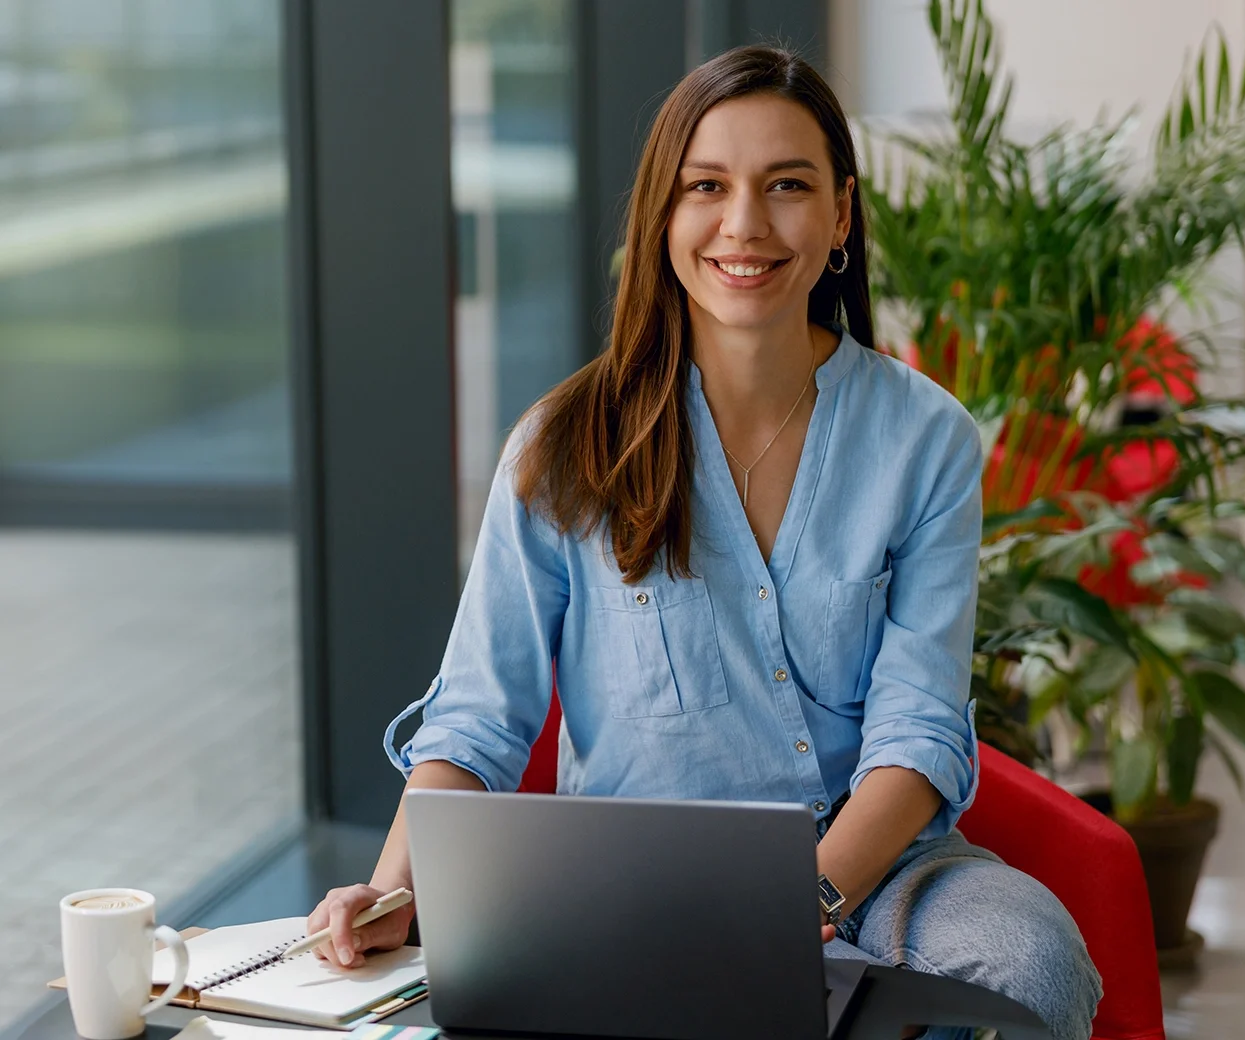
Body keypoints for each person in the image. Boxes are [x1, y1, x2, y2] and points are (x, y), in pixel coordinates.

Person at [307, 45, 1103, 1040]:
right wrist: (387, 893)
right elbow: (476, 718)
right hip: (623, 892)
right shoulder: (564, 443)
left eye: (787, 186)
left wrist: (796, 909)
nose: (744, 224)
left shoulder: (924, 440)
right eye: (706, 187)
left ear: (841, 213)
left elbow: (918, 732)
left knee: (1033, 956)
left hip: (880, 877)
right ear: (663, 215)